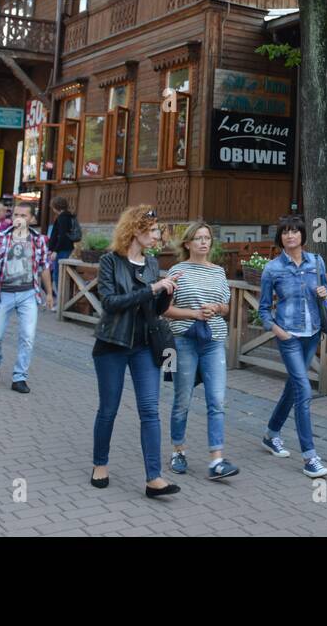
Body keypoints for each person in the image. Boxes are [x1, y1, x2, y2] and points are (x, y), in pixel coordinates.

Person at [90, 205, 180, 498]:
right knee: (109, 409)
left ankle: (154, 478)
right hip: (112, 344)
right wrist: (153, 289)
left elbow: (154, 310)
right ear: (136, 230)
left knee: (150, 411)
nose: (157, 236)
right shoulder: (109, 261)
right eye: (153, 230)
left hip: (144, 346)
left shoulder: (152, 264)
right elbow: (111, 303)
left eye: (157, 231)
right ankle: (100, 463)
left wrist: (166, 295)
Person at [258, 214, 327, 479]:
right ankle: (310, 457)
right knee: (303, 391)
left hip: (312, 334)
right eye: (285, 232)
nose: (290, 236)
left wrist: (326, 294)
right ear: (280, 238)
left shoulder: (316, 262)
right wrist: (277, 330)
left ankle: (271, 433)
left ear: (302, 235)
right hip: (288, 337)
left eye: (295, 232)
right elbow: (264, 310)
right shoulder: (272, 269)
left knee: (293, 387)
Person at [164, 222, 239, 481]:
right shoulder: (177, 271)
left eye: (207, 238)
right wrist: (194, 313)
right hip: (185, 339)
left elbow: (227, 307)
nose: (204, 242)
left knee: (216, 400)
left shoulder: (218, 272)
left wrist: (216, 309)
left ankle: (216, 460)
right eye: (198, 238)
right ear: (187, 243)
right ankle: (178, 450)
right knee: (182, 399)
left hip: (214, 341)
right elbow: (165, 309)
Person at [0, 202, 53, 393]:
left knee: (27, 337)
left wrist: (50, 293)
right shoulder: (1, 238)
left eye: (24, 215)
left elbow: (45, 267)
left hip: (28, 294)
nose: (19, 218)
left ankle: (19, 377)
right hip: (3, 293)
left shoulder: (39, 240)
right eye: (16, 215)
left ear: (31, 219)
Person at [48, 197, 78, 309]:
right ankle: (63, 302)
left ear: (56, 206)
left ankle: (62, 303)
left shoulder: (62, 218)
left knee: (58, 276)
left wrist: (55, 250)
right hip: (66, 249)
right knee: (61, 275)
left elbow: (61, 236)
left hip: (62, 250)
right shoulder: (68, 216)